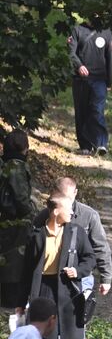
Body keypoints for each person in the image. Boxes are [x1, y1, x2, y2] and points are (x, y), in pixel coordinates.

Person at [24, 198, 95, 339]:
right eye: (68, 209)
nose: (72, 213)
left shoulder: (76, 232)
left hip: (69, 289)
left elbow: (89, 258)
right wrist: (22, 302)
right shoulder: (37, 235)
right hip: (44, 291)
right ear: (55, 211)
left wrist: (78, 271)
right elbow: (26, 270)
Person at [1, 131, 40, 312]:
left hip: (6, 221)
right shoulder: (16, 166)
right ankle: (11, 302)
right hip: (14, 223)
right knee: (14, 262)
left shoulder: (4, 164)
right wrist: (31, 213)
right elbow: (21, 198)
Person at [68, 18, 112, 156]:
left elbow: (110, 57)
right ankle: (85, 146)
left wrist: (109, 82)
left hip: (99, 79)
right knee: (81, 112)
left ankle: (101, 144)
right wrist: (79, 66)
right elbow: (71, 53)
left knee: (97, 110)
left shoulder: (106, 32)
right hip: (80, 80)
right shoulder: (77, 30)